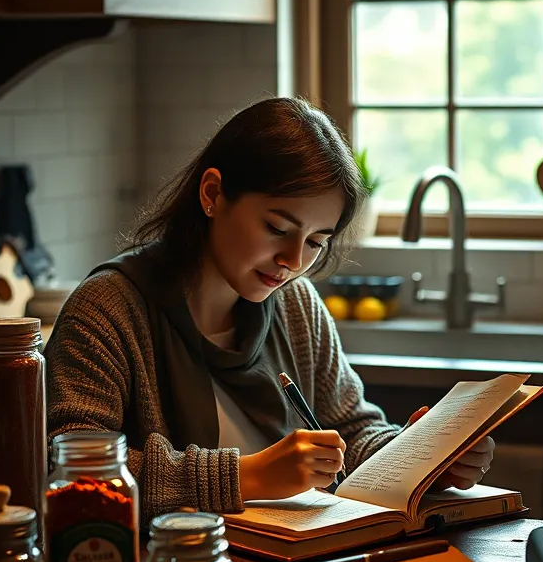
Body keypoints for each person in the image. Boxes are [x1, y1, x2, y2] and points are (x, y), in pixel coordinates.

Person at [45, 96, 494, 525]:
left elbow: (349, 433)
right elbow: (70, 470)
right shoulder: (107, 309)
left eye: (317, 242)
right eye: (277, 228)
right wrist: (249, 475)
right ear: (213, 194)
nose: (294, 261)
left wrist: (418, 455)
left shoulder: (296, 305)